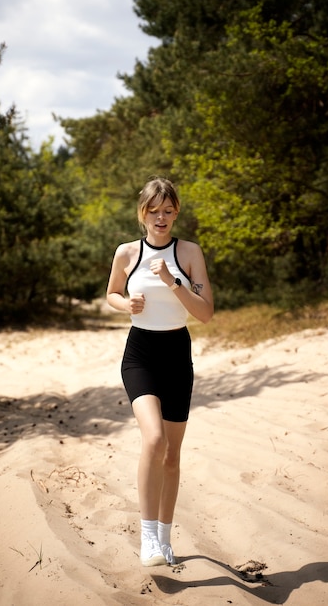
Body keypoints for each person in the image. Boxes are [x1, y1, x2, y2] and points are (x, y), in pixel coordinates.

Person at [106, 177, 214, 567]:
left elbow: (204, 313)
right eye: (155, 211)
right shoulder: (127, 253)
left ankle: (165, 539)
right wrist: (126, 305)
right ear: (143, 213)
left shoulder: (188, 253)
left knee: (172, 454)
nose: (162, 217)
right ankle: (148, 538)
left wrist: (173, 283)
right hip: (141, 353)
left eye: (169, 210)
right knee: (153, 439)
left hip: (176, 354)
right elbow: (111, 293)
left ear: (176, 212)